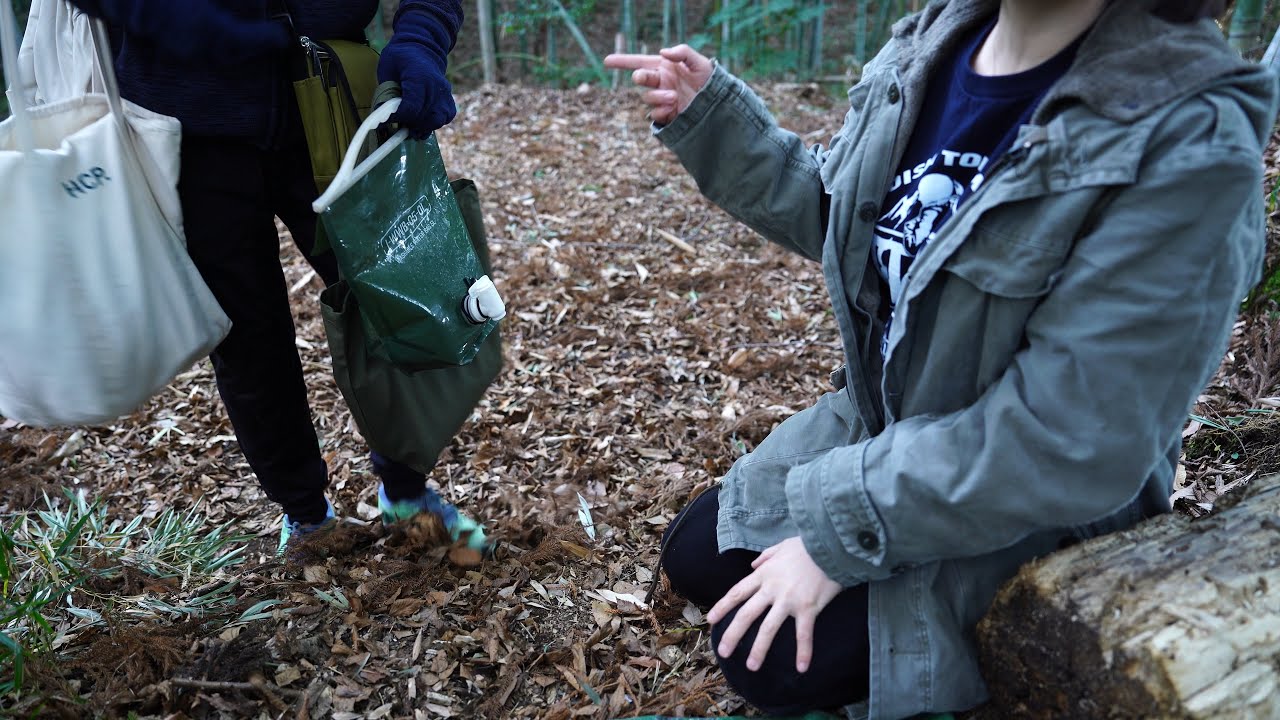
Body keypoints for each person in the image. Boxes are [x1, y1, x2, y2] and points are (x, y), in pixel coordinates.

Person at [606, 0, 1277, 716]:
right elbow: (852, 221)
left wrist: (837, 536)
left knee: (770, 663)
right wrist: (718, 123)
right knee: (695, 556)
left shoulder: (1188, 140)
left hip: (1030, 498)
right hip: (887, 422)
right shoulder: (937, 41)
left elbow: (1073, 440)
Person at [65, 0, 492, 557]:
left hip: (334, 98)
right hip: (184, 125)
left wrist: (421, 39)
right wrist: (172, 18)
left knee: (398, 302)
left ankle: (407, 493)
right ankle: (306, 514)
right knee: (247, 338)